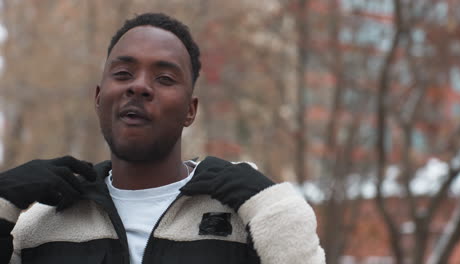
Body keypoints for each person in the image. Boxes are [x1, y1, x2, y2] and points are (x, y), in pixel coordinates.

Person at [0, 13, 325, 264]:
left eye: (165, 78)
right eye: (123, 74)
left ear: (190, 110)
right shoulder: (37, 226)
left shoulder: (246, 216)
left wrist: (271, 204)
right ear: (99, 98)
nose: (138, 86)